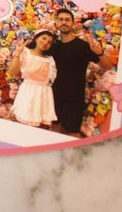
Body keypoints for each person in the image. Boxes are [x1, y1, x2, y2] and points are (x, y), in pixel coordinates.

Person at [48, 8, 112, 137]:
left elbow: (107, 66)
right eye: (61, 19)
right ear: (57, 23)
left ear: (73, 23)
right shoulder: (52, 46)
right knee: (54, 129)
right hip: (53, 95)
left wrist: (99, 52)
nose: (63, 22)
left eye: (67, 20)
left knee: (73, 133)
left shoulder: (83, 46)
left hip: (74, 98)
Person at [7, 30, 57, 127]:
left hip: (44, 96)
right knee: (22, 124)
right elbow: (11, 73)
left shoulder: (50, 60)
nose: (45, 42)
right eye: (44, 38)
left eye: (49, 42)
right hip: (28, 93)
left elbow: (50, 81)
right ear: (36, 38)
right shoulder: (26, 53)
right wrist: (18, 52)